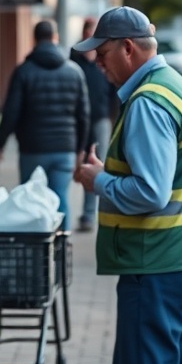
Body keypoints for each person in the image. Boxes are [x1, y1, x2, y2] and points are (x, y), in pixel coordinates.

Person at [73, 6, 182, 364]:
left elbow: (152, 192)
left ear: (128, 48)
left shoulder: (148, 103)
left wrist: (98, 181)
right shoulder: (178, 88)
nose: (98, 64)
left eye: (102, 55)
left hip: (157, 266)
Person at [0, 19, 90, 231]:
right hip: (64, 148)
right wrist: (80, 148)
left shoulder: (23, 71)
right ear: (55, 38)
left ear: (34, 39)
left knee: (29, 199)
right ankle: (62, 249)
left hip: (32, 148)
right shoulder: (74, 72)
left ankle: (36, 252)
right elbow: (84, 115)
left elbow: (11, 112)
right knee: (60, 197)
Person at [71, 17, 120, 232]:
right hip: (78, 120)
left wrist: (114, 116)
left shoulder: (103, 63)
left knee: (99, 164)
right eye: (88, 33)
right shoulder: (73, 61)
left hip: (100, 118)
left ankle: (93, 213)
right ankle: (84, 214)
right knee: (79, 165)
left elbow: (113, 92)